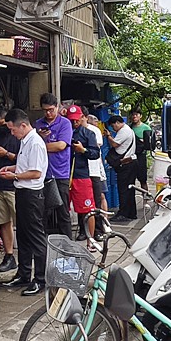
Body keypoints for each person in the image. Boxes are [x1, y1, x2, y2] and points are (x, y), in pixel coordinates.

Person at [0, 108, 48, 296]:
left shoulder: (35, 143)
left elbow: (36, 172)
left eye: (13, 129)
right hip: (22, 191)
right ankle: (24, 273)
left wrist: (15, 175)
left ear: (23, 125)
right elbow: (26, 165)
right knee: (23, 236)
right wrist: (12, 168)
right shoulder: (25, 141)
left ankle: (40, 278)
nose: (12, 133)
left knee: (36, 237)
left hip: (32, 194)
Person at [34, 93, 73, 238]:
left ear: (57, 107)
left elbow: (61, 145)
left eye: (51, 110)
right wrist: (40, 138)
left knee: (63, 212)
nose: (48, 113)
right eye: (45, 110)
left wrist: (40, 145)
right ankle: (42, 245)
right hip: (43, 173)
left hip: (60, 173)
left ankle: (68, 244)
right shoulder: (38, 124)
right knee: (42, 212)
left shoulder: (65, 123)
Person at [0, 105, 20, 274]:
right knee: (3, 222)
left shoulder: (19, 135)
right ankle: (9, 256)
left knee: (21, 222)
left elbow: (25, 160)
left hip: (14, 185)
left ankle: (26, 256)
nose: (0, 127)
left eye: (3, 123)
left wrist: (7, 154)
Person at [67, 105, 100, 246]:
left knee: (88, 209)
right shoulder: (64, 131)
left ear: (82, 118)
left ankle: (90, 241)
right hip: (64, 175)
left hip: (81, 175)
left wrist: (83, 150)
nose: (74, 122)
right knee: (63, 210)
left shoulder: (88, 134)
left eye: (76, 120)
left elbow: (95, 154)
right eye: (71, 120)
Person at [106, 115, 137, 222]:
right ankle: (131, 213)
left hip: (126, 164)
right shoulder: (128, 130)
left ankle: (123, 213)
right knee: (129, 189)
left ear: (117, 123)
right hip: (131, 162)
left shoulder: (124, 131)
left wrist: (108, 136)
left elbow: (115, 144)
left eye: (113, 126)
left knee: (123, 189)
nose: (113, 128)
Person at [85, 115, 108, 215]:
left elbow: (97, 149)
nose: (96, 123)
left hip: (96, 168)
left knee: (100, 195)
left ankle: (104, 218)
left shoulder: (94, 131)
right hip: (92, 168)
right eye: (95, 120)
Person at [129, 109, 154, 201]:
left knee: (143, 179)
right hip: (130, 155)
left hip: (141, 156)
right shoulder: (129, 128)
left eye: (136, 114)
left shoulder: (146, 127)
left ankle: (145, 198)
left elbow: (150, 141)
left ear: (140, 116)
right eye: (133, 115)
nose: (134, 116)